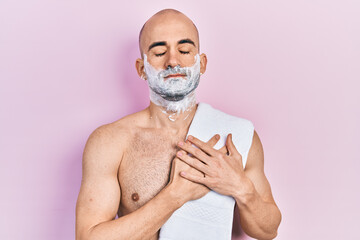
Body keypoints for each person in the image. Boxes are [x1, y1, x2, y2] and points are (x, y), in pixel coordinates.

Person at [75, 8, 281, 240]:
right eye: (160, 52)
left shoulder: (237, 136)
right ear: (142, 69)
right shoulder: (110, 141)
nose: (173, 61)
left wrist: (240, 187)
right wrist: (175, 195)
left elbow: (268, 230)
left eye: (184, 50)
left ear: (201, 63)